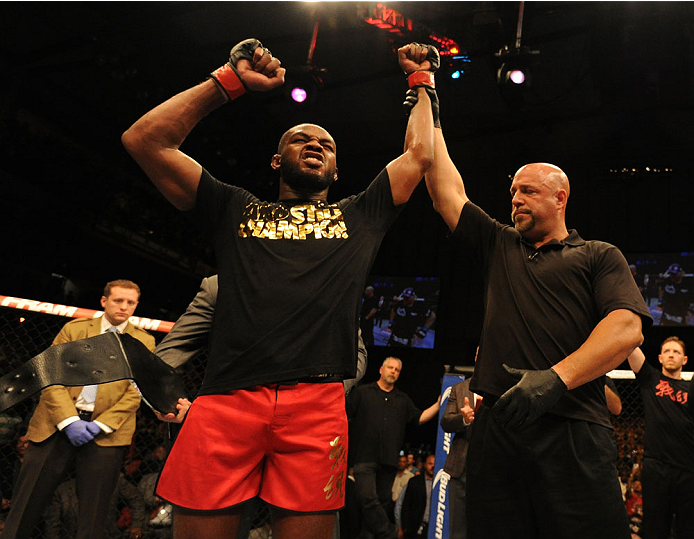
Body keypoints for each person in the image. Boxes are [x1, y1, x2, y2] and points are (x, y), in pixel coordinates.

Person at [121, 37, 437, 539]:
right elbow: (145, 140)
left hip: (317, 404)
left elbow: (420, 155)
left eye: (326, 145)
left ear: (337, 169)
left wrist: (422, 83)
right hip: (226, 399)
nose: (315, 144)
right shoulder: (235, 208)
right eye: (300, 139)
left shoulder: (359, 215)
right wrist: (227, 83)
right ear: (276, 161)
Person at [420, 89, 651, 536]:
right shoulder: (499, 244)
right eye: (512, 192)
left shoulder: (598, 255)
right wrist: (428, 96)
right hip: (498, 432)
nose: (515, 199)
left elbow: (627, 328)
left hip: (574, 429)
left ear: (560, 197)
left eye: (528, 190)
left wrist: (554, 378)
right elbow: (445, 190)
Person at [3, 280, 155, 539]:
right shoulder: (75, 329)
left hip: (107, 432)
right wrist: (69, 419)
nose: (124, 307)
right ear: (104, 301)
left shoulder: (143, 340)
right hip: (56, 424)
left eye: (130, 302)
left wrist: (102, 424)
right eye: (118, 300)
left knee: (95, 516)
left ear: (136, 306)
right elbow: (50, 375)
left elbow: (137, 390)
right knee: (26, 505)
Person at [155, 274, 368, 424]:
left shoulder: (331, 292)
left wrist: (320, 395)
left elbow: (356, 356)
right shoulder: (221, 287)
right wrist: (168, 400)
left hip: (303, 423)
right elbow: (167, 355)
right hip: (227, 420)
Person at [346, 357, 440, 539]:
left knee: (382, 504)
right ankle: (390, 533)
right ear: (381, 369)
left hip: (388, 460)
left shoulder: (402, 400)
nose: (393, 372)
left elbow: (419, 418)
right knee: (366, 498)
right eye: (390, 368)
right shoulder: (363, 392)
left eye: (397, 370)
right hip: (364, 457)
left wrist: (437, 405)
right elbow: (345, 413)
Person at [627, 337, 694, 539]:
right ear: (660, 357)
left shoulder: (691, 389)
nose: (671, 354)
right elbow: (629, 347)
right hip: (656, 467)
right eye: (667, 351)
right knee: (655, 528)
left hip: (688, 469)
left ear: (685, 359)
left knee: (688, 529)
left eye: (676, 352)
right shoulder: (651, 379)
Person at [439, 378, 480, 539]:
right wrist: (463, 419)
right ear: (477, 357)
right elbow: (446, 422)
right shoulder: (459, 388)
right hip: (460, 468)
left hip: (491, 468)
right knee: (458, 532)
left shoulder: (502, 385)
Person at [396, 454, 435, 539]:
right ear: (425, 465)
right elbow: (406, 505)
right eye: (430, 464)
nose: (433, 466)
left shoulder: (441, 485)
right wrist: (405, 527)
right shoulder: (414, 482)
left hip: (433, 528)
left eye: (435, 464)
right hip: (415, 527)